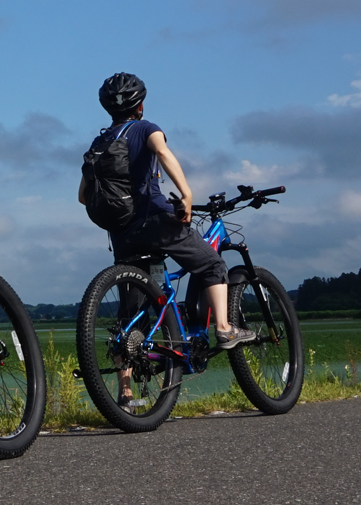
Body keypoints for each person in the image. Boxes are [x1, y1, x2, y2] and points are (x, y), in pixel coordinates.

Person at [83, 73, 255, 407]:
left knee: (131, 314)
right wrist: (187, 194)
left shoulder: (98, 144)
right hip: (155, 219)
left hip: (121, 232)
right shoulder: (146, 129)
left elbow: (82, 196)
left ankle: (126, 393)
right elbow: (163, 153)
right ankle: (223, 327)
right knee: (211, 263)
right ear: (141, 104)